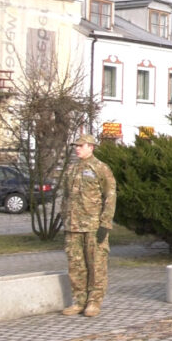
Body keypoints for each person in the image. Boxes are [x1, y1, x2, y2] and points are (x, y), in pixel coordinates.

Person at [61, 134, 116, 317]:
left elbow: (110, 196)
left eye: (81, 146)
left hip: (93, 225)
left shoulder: (100, 168)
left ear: (91, 147)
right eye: (76, 146)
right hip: (73, 226)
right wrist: (65, 219)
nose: (77, 149)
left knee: (96, 265)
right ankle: (79, 301)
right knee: (76, 265)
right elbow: (66, 196)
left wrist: (105, 223)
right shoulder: (71, 169)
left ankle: (94, 301)